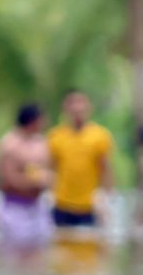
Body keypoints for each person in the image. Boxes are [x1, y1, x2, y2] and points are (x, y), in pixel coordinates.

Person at [47, 92, 115, 227]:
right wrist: (49, 195)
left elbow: (105, 168)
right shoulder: (55, 136)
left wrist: (106, 197)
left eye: (81, 102)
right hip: (62, 204)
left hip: (89, 206)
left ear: (89, 107)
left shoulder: (100, 136)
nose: (77, 108)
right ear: (65, 108)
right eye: (72, 103)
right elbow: (51, 169)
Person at [0, 104, 53, 246]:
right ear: (33, 121)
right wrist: (34, 180)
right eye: (42, 119)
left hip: (37, 207)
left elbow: (46, 170)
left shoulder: (41, 143)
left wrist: (47, 178)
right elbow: (9, 178)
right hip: (15, 208)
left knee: (40, 256)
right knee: (15, 255)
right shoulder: (9, 144)